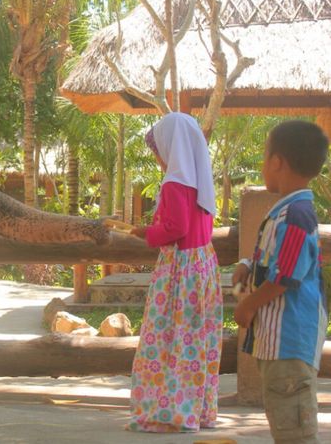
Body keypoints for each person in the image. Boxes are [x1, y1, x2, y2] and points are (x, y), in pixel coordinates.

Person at [233, 120, 329, 444]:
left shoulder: (295, 216)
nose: (263, 165)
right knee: (285, 426)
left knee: (295, 434)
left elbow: (284, 276)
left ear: (277, 162)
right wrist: (247, 265)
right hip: (278, 345)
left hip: (288, 345)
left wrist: (247, 306)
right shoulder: (286, 212)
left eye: (264, 157)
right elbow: (275, 259)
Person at [127, 112, 222, 433]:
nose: (157, 158)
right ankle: (197, 409)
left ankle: (171, 411)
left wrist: (146, 233)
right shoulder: (200, 180)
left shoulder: (175, 183)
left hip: (181, 270)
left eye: (157, 150)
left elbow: (176, 228)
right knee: (196, 339)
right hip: (203, 264)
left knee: (172, 337)